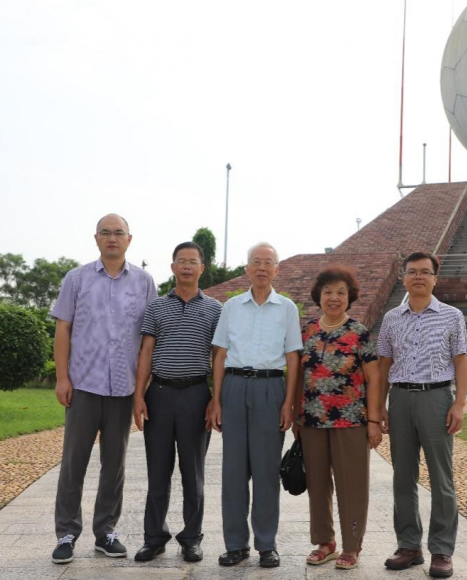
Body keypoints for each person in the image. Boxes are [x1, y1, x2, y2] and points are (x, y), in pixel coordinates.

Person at [49, 214, 157, 564]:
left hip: (123, 388)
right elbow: (63, 329)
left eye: (118, 233)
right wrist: (62, 378)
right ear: (96, 238)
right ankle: (66, 533)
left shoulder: (144, 282)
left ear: (129, 239)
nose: (112, 238)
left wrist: (142, 389)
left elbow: (149, 338)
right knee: (73, 462)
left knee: (114, 465)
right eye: (106, 233)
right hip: (83, 385)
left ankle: (106, 531)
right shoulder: (77, 279)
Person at [207, 242, 302, 568]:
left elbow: (293, 357)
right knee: (233, 472)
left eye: (268, 262)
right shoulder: (231, 307)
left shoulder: (287, 309)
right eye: (256, 262)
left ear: (277, 269)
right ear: (247, 268)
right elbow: (220, 354)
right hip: (234, 388)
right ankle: (235, 545)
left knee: (266, 472)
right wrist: (216, 400)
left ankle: (266, 544)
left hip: (270, 389)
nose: (262, 267)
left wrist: (288, 403)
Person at [377, 251, 467, 579]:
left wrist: (459, 404)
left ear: (435, 279)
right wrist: (379, 407)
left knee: (442, 478)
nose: (418, 276)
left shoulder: (452, 316)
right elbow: (384, 365)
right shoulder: (391, 318)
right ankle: (409, 546)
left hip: (437, 399)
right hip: (400, 399)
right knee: (403, 476)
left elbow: (461, 360)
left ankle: (442, 550)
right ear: (403, 278)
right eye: (412, 271)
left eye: (425, 272)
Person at [132, 241, 222, 563]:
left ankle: (191, 538)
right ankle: (154, 538)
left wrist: (216, 399)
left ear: (201, 268)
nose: (186, 266)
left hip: (196, 395)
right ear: (172, 267)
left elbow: (219, 356)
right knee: (158, 471)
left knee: (192, 472)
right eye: (181, 261)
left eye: (192, 261)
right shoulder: (156, 307)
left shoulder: (215, 309)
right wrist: (138, 396)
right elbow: (146, 352)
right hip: (159, 395)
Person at [294, 265, 383, 571]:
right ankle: (325, 542)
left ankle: (352, 545)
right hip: (312, 421)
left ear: (350, 297)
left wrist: (374, 421)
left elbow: (374, 378)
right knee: (317, 484)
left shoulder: (359, 333)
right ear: (318, 296)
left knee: (352, 486)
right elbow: (298, 376)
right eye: (328, 292)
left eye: (341, 292)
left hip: (351, 421)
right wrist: (296, 416)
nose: (334, 297)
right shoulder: (307, 331)